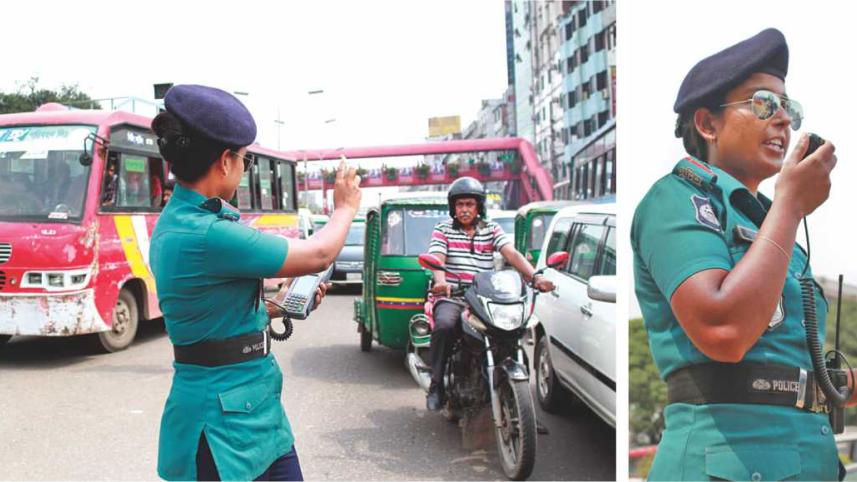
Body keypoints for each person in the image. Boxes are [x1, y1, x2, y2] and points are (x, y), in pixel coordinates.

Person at [631, 29, 843, 480]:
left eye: (790, 108)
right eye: (764, 103)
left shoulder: (772, 225)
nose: (784, 121)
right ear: (708, 124)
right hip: (727, 465)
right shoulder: (677, 200)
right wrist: (790, 204)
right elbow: (723, 329)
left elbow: (799, 368)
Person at [149, 84, 361, 481]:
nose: (244, 170)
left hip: (249, 408)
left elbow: (210, 317)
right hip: (223, 424)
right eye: (245, 160)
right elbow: (319, 254)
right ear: (225, 161)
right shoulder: (208, 233)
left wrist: (277, 305)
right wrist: (345, 207)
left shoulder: (182, 222)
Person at [425, 176, 554, 411]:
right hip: (453, 296)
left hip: (483, 297)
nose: (464, 210)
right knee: (444, 326)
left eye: (469, 204)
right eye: (460, 204)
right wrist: (441, 282)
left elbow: (511, 254)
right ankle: (437, 384)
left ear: (478, 207)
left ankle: (522, 404)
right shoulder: (443, 229)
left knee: (511, 332)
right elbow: (437, 259)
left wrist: (535, 277)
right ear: (453, 207)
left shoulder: (491, 229)